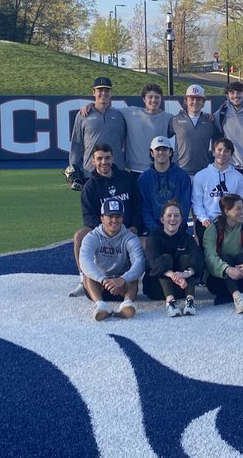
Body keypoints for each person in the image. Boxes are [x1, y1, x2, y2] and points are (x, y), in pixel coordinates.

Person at [72, 144, 141, 295]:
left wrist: (135, 226)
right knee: (79, 236)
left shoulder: (126, 178)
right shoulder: (89, 187)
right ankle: (83, 278)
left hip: (128, 230)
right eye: (100, 159)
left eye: (107, 158)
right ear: (93, 161)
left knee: (146, 242)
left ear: (113, 159)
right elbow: (88, 217)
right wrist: (108, 230)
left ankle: (141, 277)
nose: (104, 162)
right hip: (103, 230)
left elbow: (138, 205)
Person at [80, 83, 173, 174]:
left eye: (157, 97)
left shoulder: (168, 118)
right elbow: (105, 109)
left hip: (158, 169)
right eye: (150, 97)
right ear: (144, 99)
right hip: (134, 170)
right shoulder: (131, 113)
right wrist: (92, 105)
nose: (153, 100)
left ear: (161, 99)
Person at [79, 198, 144, 321]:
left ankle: (127, 303)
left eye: (118, 216)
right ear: (102, 218)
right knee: (88, 275)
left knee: (133, 277)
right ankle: (100, 305)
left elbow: (139, 263)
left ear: (122, 218)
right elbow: (84, 261)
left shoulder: (130, 238)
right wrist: (103, 279)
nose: (114, 220)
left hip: (122, 284)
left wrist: (122, 279)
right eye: (110, 216)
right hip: (100, 284)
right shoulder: (92, 237)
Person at [203, 194, 243, 314]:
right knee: (226, 257)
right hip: (221, 279)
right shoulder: (213, 230)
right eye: (238, 208)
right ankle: (237, 297)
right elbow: (210, 257)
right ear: (226, 211)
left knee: (242, 257)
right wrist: (227, 269)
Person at [143, 200, 204, 316]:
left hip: (182, 287)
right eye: (169, 215)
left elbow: (199, 259)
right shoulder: (154, 238)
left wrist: (186, 273)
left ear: (181, 220)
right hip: (157, 288)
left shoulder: (187, 239)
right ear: (162, 219)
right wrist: (172, 274)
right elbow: (152, 261)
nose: (173, 219)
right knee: (165, 258)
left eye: (176, 216)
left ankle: (190, 300)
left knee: (187, 259)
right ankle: (170, 302)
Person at [67, 77, 127, 186]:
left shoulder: (120, 115)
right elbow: (77, 143)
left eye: (107, 90)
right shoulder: (83, 115)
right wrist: (73, 166)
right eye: (100, 90)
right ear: (93, 92)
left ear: (111, 93)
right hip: (90, 172)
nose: (103, 93)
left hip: (117, 171)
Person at [192, 138, 243, 247]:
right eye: (219, 150)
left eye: (226, 151)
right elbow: (197, 203)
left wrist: (231, 220)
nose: (222, 153)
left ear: (231, 154)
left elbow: (241, 204)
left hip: (230, 222)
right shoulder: (201, 176)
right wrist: (204, 219)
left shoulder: (238, 177)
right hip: (208, 222)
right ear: (213, 152)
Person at [137, 136, 192, 237]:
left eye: (165, 149)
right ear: (151, 153)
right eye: (157, 149)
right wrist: (157, 231)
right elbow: (144, 208)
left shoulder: (183, 176)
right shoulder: (143, 179)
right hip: (153, 231)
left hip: (177, 229)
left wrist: (173, 228)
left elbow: (185, 206)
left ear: (170, 152)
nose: (161, 152)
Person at [168, 84, 222, 176]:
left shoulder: (209, 121)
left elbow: (220, 140)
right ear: (186, 101)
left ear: (203, 103)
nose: (195, 102)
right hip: (180, 171)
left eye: (198, 99)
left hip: (203, 172)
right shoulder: (175, 120)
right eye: (192, 99)